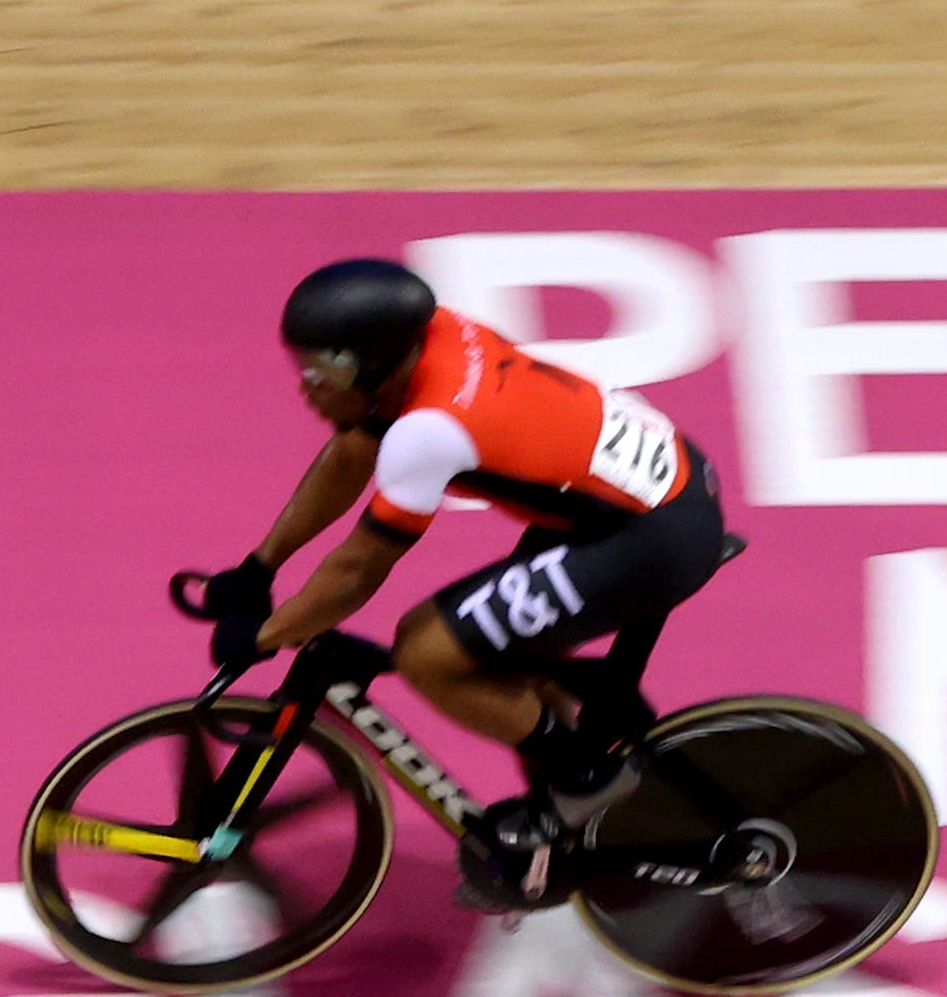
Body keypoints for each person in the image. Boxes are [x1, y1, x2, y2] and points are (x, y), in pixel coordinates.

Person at [194, 258, 744, 910]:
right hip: (639, 494)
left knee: (428, 648)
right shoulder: (433, 335)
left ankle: (584, 780)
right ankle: (558, 824)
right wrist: (260, 567)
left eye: (327, 368)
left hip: (648, 534)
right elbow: (348, 455)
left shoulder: (430, 428)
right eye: (304, 364)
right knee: (505, 654)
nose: (308, 386)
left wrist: (266, 635)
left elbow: (357, 570)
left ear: (373, 363)